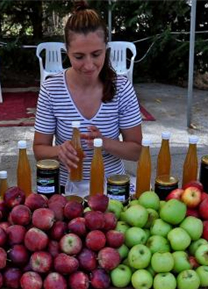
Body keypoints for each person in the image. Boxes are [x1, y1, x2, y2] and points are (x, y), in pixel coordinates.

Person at [33, 1, 142, 195]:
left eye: (96, 54)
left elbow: (135, 151)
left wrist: (104, 142)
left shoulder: (121, 87)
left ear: (105, 48)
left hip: (112, 190)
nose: (89, 65)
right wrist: (58, 151)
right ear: (67, 52)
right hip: (67, 192)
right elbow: (39, 150)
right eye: (79, 57)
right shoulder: (52, 88)